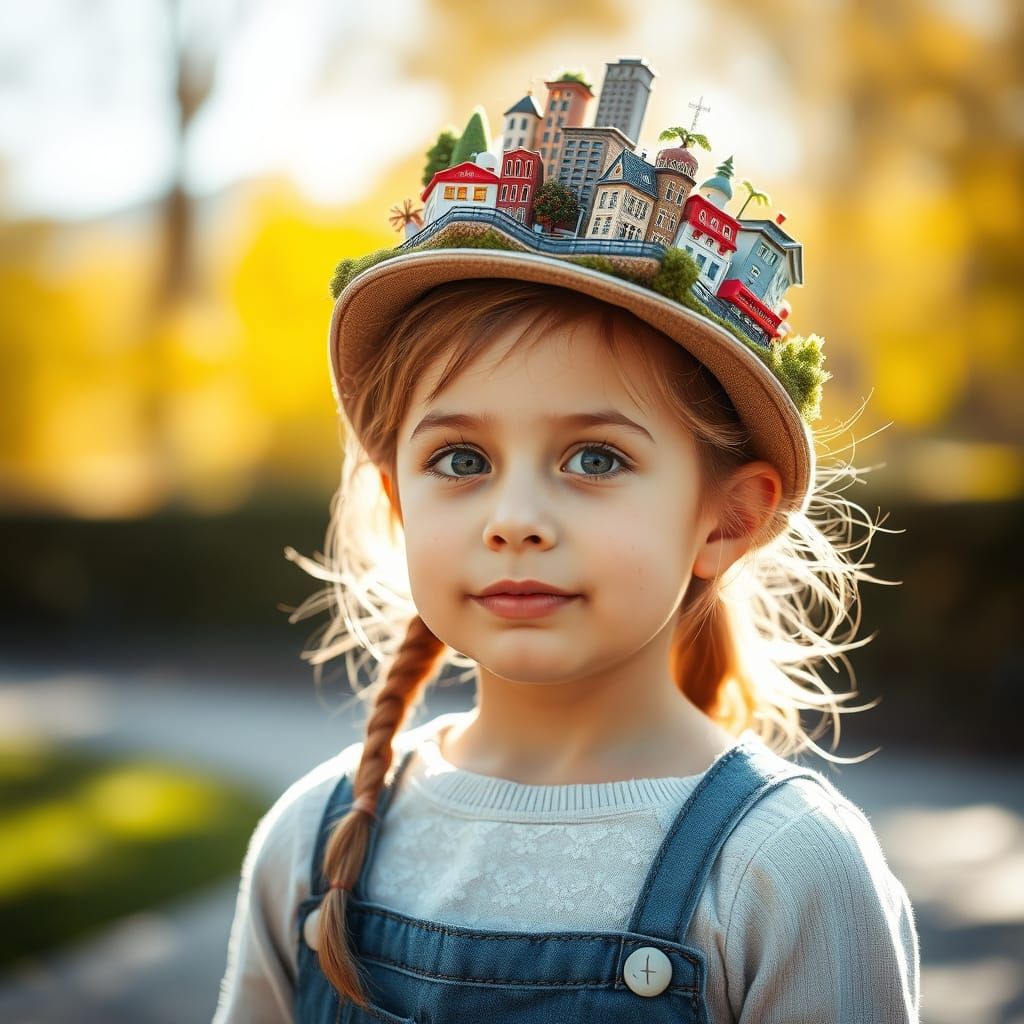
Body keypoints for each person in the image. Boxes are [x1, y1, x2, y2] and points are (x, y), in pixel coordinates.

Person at [213, 125, 921, 1024]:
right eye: (462, 461)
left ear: (725, 520)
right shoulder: (310, 847)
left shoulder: (785, 871)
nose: (512, 521)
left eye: (594, 459)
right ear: (399, 505)